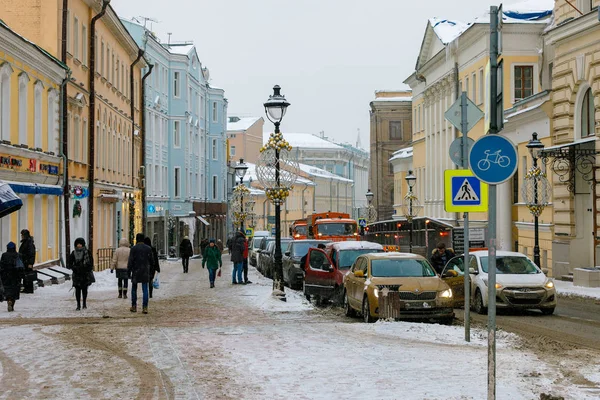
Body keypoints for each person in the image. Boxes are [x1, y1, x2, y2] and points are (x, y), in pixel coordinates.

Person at [128, 233, 154, 314]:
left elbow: (130, 261)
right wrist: (151, 271)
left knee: (134, 288)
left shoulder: (133, 249)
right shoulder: (148, 249)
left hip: (136, 270)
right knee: (145, 289)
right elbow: (152, 261)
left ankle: (134, 306)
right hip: (145, 270)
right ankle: (145, 307)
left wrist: (129, 271)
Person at [67, 238, 94, 311]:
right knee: (77, 290)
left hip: (85, 274)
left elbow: (91, 263)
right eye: (77, 244)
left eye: (80, 244)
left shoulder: (87, 252)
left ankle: (84, 303)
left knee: (84, 289)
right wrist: (74, 268)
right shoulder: (73, 253)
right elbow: (69, 263)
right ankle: (78, 304)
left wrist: (85, 268)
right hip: (77, 274)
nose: (79, 245)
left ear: (83, 244)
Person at [0, 242, 24, 312]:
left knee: (7, 289)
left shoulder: (4, 255)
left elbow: (1, 265)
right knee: (14, 290)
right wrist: (21, 275)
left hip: (6, 276)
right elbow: (21, 267)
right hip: (15, 276)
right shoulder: (18, 255)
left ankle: (9, 300)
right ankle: (12, 303)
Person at [19, 229, 36, 293]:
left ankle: (29, 289)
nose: (22, 236)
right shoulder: (26, 242)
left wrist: (30, 263)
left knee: (28, 275)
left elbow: (32, 253)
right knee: (26, 275)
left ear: (25, 235)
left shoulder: (29, 243)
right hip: (25, 261)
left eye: (22, 235)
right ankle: (27, 288)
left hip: (27, 262)